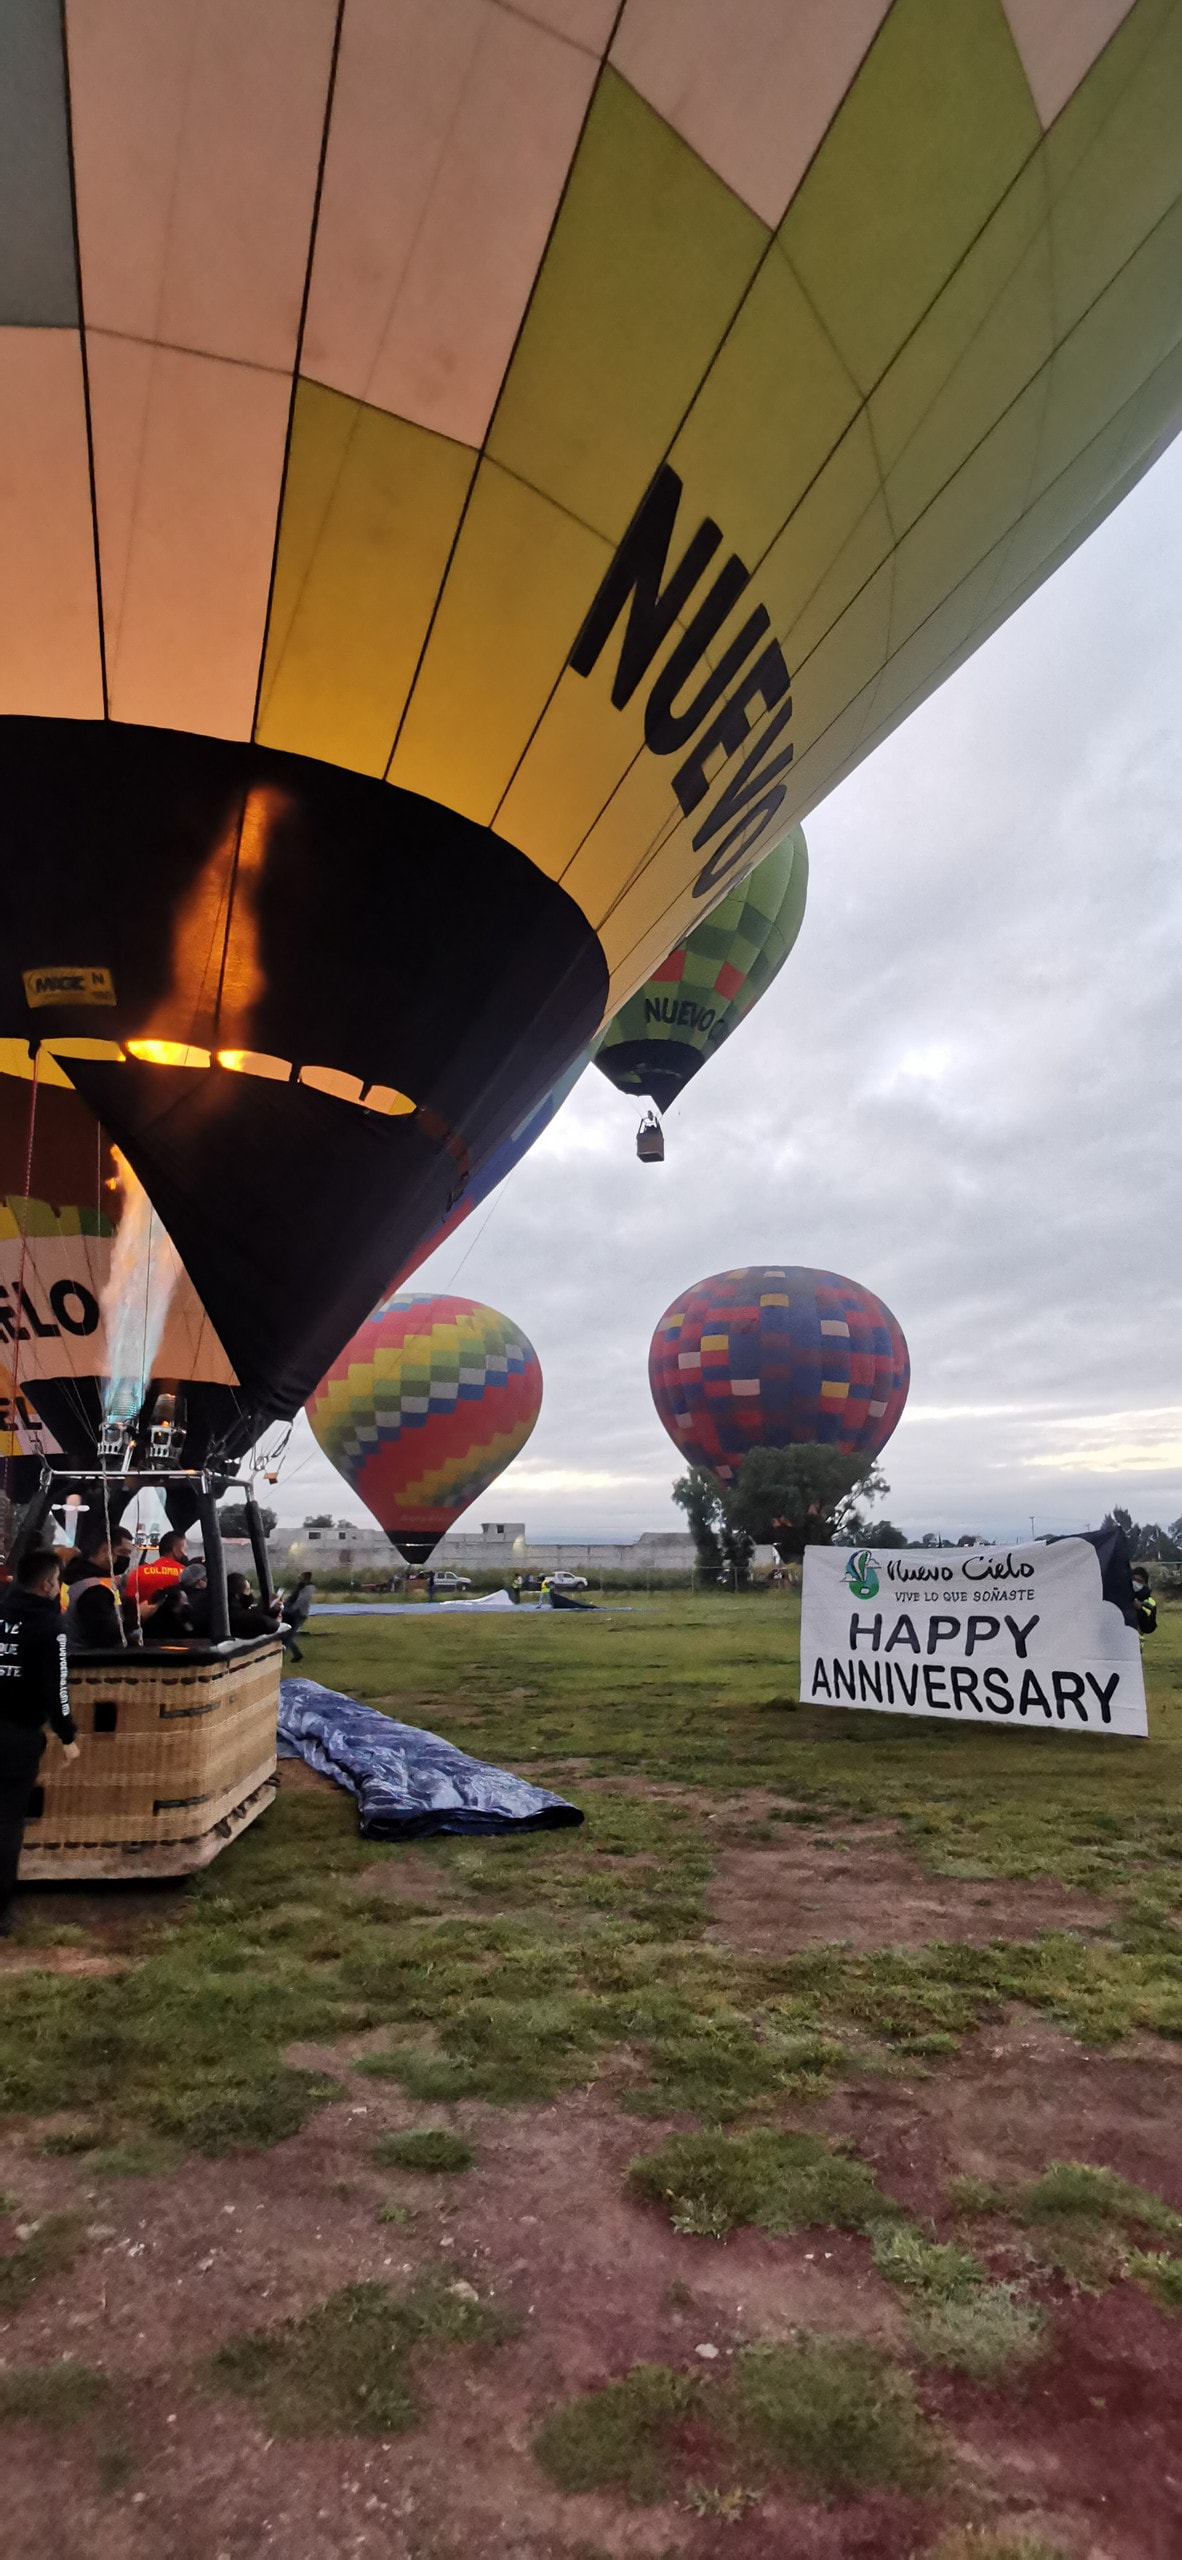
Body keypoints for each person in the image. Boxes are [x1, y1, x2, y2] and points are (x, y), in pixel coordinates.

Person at [0, 1547, 79, 1932]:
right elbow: (56, 1687)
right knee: (7, 1822)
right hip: (15, 1735)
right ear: (49, 1584)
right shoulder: (50, 1628)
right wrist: (67, 1735)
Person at [63, 1536, 126, 1650]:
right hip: (90, 1661)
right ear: (105, 1550)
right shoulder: (95, 1589)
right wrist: (138, 1617)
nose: (118, 1560)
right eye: (118, 1554)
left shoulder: (73, 1577)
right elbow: (104, 1635)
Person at [124, 1528, 188, 1628]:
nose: (186, 1554)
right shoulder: (186, 1573)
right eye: (185, 1549)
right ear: (175, 1550)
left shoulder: (136, 1573)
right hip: (177, 1631)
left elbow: (129, 1605)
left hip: (143, 1632)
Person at [280, 1571, 315, 1661]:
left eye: (301, 1577)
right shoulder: (300, 1587)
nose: (299, 1578)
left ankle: (282, 1656)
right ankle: (297, 1653)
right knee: (286, 1634)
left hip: (298, 1614)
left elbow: (301, 1601)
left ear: (306, 1578)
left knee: (288, 1635)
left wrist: (292, 1609)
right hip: (291, 1613)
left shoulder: (308, 1588)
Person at [1130, 1567, 1158, 1636]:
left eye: (1139, 1581)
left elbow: (1148, 1628)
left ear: (1144, 1584)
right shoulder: (1122, 1595)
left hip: (1136, 1642)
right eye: (1133, 1579)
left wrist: (1139, 1609)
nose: (1135, 1583)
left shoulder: (1150, 1602)